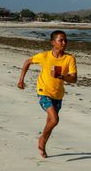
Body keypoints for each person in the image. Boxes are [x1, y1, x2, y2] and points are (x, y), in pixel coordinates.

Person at [17, 30, 77, 158]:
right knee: (55, 119)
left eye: (65, 40)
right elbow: (27, 62)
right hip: (43, 91)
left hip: (58, 94)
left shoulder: (69, 58)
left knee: (50, 122)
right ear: (53, 42)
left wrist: (62, 76)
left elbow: (74, 79)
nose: (64, 43)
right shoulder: (44, 56)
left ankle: (43, 146)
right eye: (61, 40)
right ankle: (42, 139)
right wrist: (21, 80)